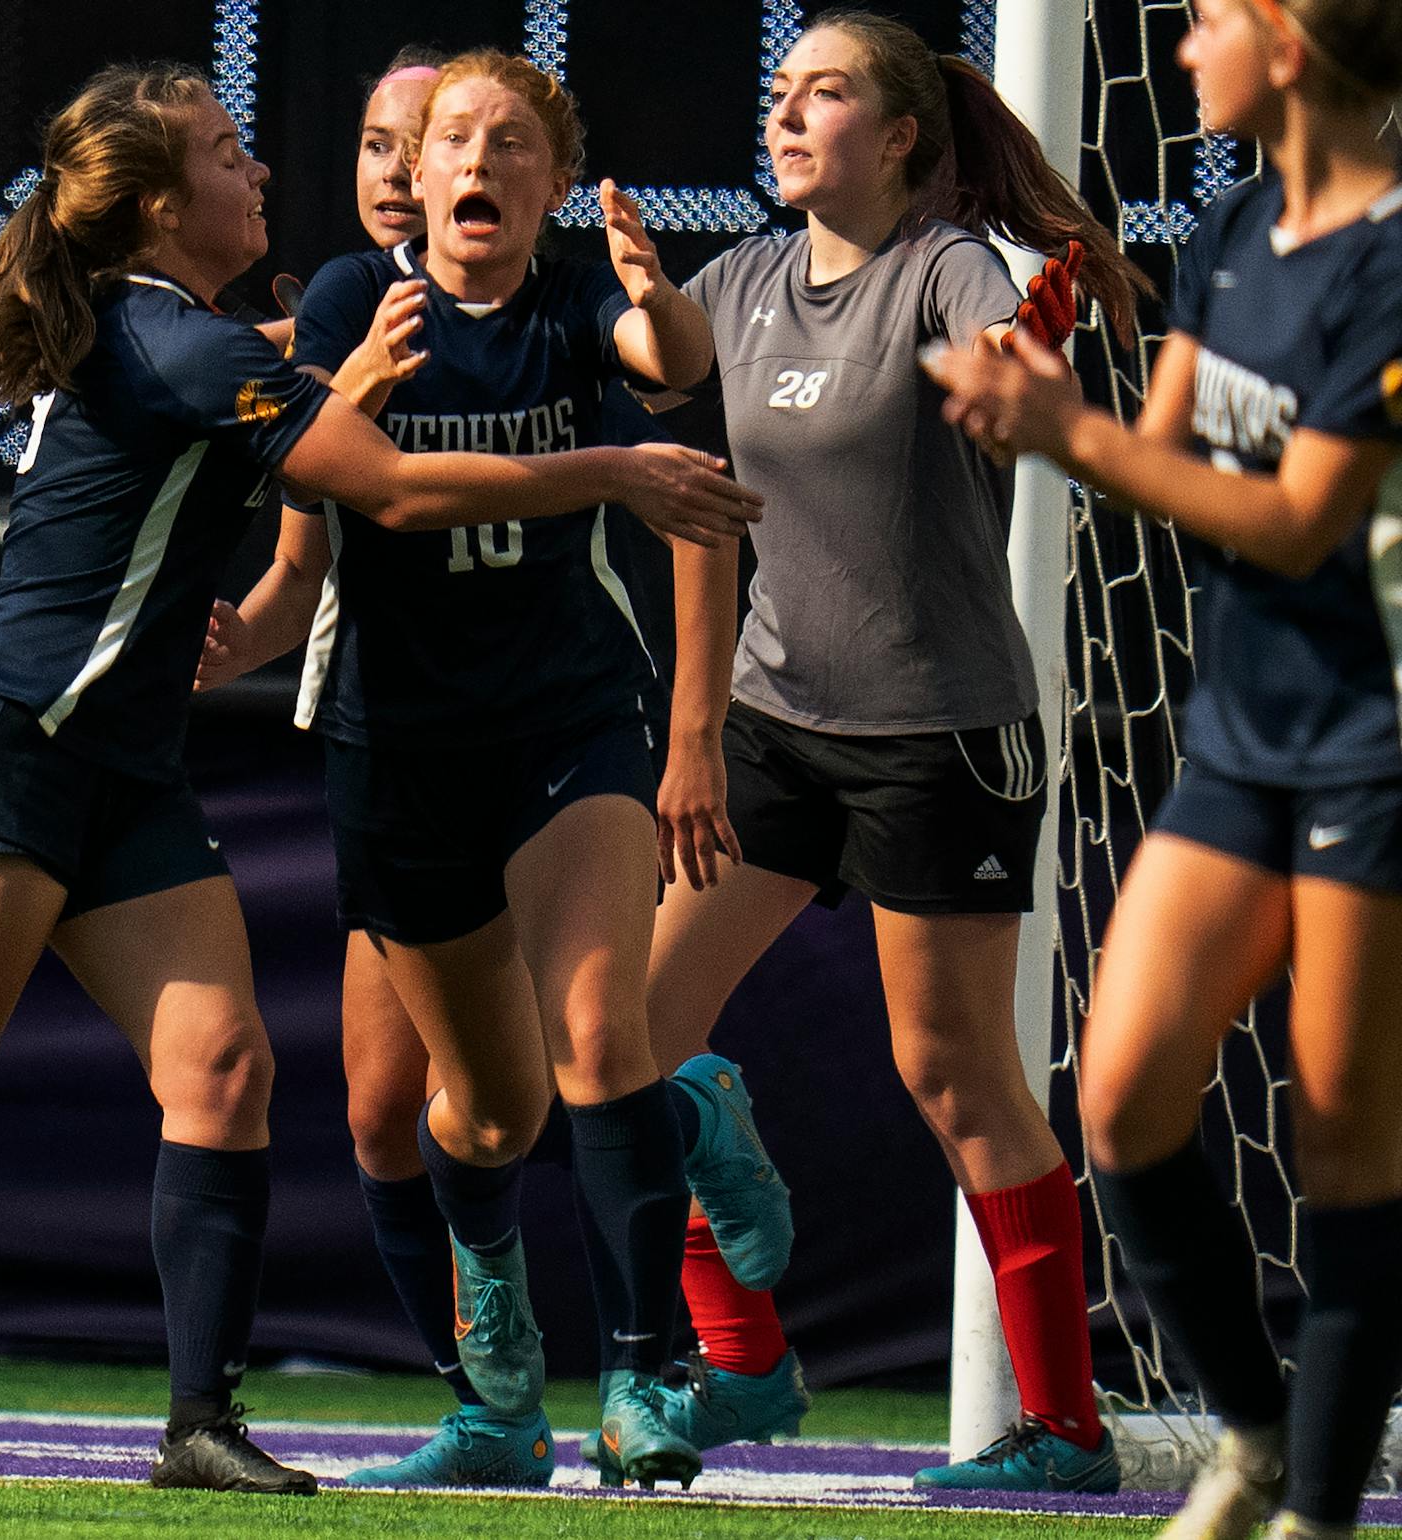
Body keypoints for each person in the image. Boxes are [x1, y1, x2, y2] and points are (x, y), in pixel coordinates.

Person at [0, 62, 761, 1492]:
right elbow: (382, 486)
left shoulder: (189, 333)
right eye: (226, 154)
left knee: (223, 1068)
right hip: (7, 753)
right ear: (158, 209)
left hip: (125, 774)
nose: (260, 172)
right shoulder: (179, 347)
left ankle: (200, 1425)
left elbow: (309, 378)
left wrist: (384, 369)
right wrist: (612, 474)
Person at [199, 49, 794, 1490]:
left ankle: (647, 1381)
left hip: (565, 728)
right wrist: (233, 633)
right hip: (401, 752)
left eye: (506, 142)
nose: (466, 162)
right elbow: (327, 496)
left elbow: (668, 369)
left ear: (547, 182)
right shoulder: (351, 306)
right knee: (475, 1115)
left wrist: (658, 311)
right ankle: (507, 1382)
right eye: (445, 139)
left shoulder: (579, 299)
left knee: (599, 1037)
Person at [639, 7, 1152, 1491]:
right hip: (771, 731)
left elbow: (1003, 355)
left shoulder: (946, 270)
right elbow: (649, 347)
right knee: (625, 1046)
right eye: (781, 91)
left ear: (904, 135)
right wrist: (577, 285)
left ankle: (1061, 1429)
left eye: (829, 94)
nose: (788, 115)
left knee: (957, 1075)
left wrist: (1030, 346)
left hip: (943, 738)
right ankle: (740, 1362)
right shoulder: (736, 279)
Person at [926, 1, 1402, 1532]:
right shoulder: (1243, 220)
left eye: (1209, 19)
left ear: (1292, 39)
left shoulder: (1393, 265)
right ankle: (1255, 1439)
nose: (1185, 44)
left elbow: (1296, 520)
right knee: (1121, 1100)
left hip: (1379, 748)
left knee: (1342, 1134)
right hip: (1245, 740)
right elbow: (1179, 476)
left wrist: (1063, 428)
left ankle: (1321, 1508)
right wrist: (1040, 401)